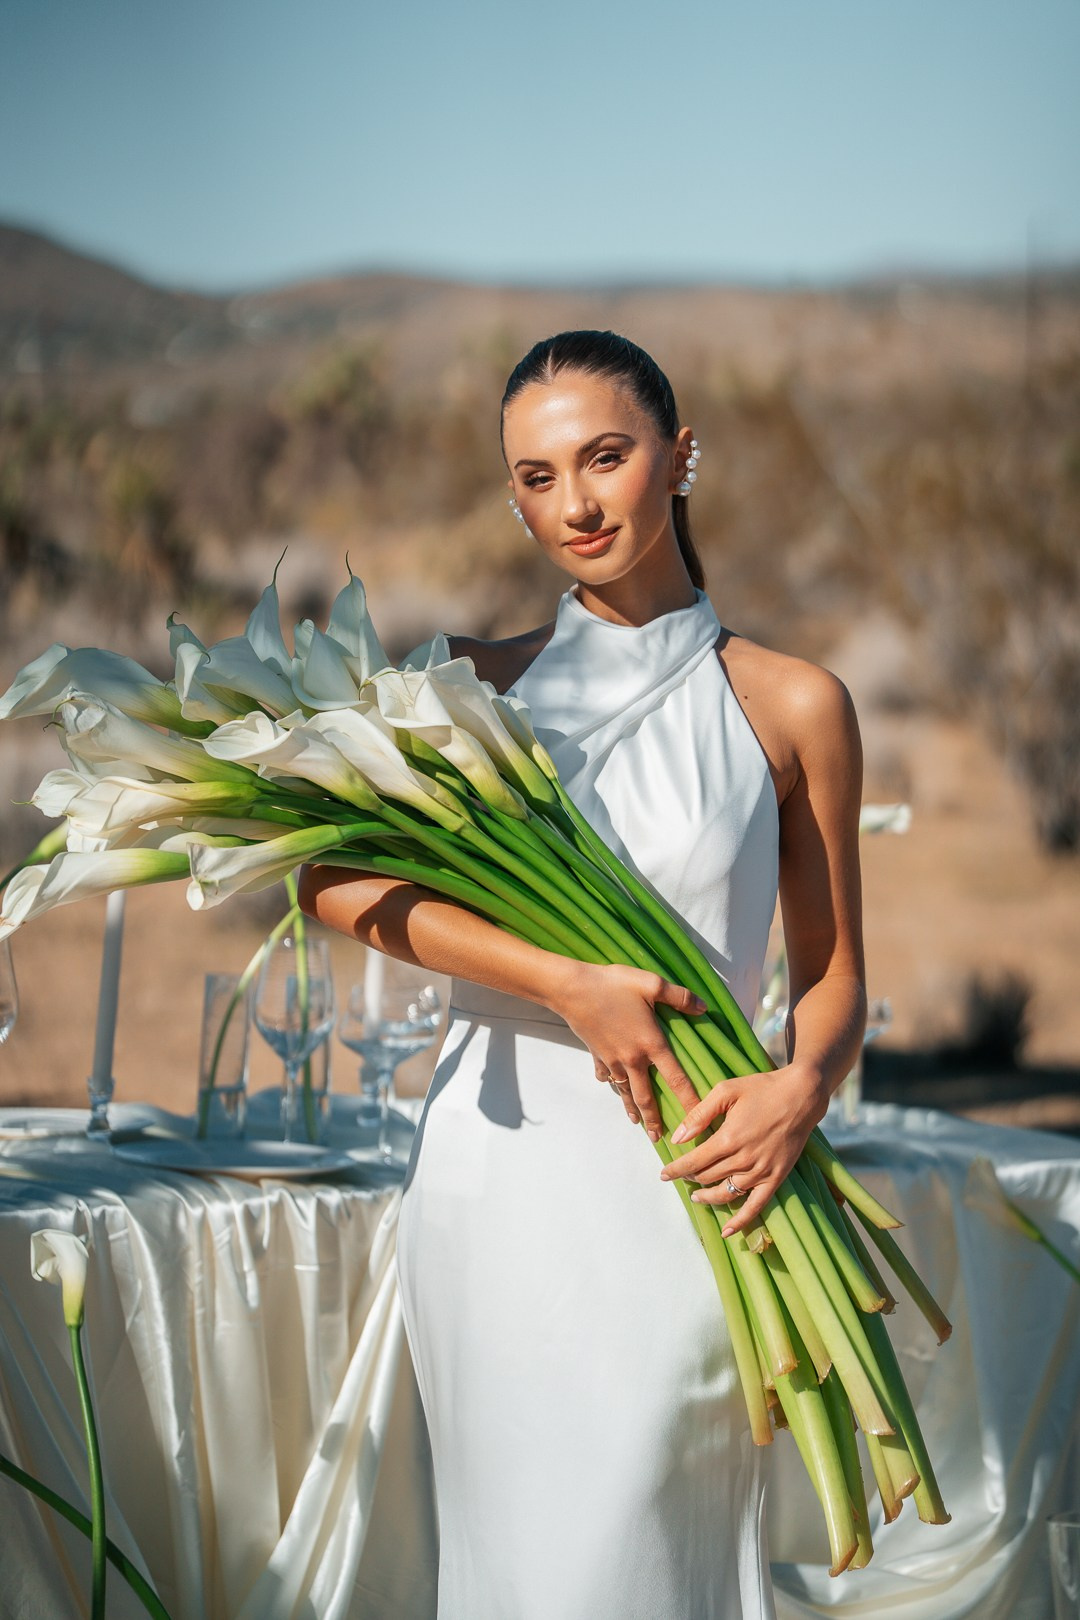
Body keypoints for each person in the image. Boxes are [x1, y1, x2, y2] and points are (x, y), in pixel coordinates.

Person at [299, 328, 868, 1619]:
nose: (577, 503)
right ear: (512, 496)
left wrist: (802, 1089)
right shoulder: (467, 686)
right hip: (502, 1188)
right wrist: (562, 980)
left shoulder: (793, 706)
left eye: (606, 457)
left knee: (645, 1549)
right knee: (525, 1570)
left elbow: (833, 979)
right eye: (539, 477)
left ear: (681, 456)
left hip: (696, 1179)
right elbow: (326, 882)